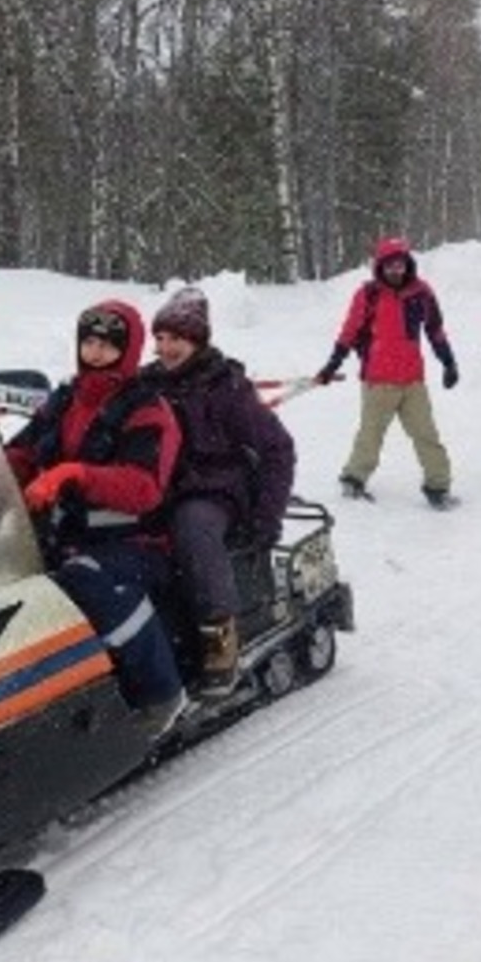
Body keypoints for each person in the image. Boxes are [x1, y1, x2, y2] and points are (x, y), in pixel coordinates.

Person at [3, 300, 187, 735]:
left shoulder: (146, 409)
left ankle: (161, 692)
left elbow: (143, 487)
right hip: (60, 531)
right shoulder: (64, 400)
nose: (97, 351)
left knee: (89, 580)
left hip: (133, 540)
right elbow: (25, 449)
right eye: (89, 341)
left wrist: (77, 474)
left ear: (129, 348)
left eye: (108, 343)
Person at [141, 287, 296, 696]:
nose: (166, 348)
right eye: (160, 338)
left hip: (214, 488)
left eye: (176, 339)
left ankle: (218, 636)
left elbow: (278, 448)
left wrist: (267, 517)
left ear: (197, 340)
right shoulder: (147, 383)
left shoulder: (226, 386)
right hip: (156, 485)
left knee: (193, 530)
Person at [315, 237, 460, 508]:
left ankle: (438, 488)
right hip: (378, 381)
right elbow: (349, 332)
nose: (396, 270)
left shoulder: (421, 293)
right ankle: (353, 480)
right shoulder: (368, 295)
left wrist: (449, 363)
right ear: (380, 266)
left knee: (427, 435)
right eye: (390, 265)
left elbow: (435, 331)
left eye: (401, 264)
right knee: (370, 436)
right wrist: (332, 364)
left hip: (413, 381)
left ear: (408, 264)